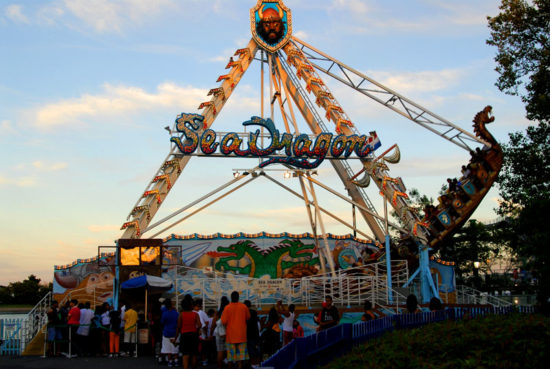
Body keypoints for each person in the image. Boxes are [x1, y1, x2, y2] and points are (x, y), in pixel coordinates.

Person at [221, 291, 250, 369]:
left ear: (231, 298)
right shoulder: (244, 307)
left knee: (230, 357)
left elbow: (223, 321)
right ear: (238, 298)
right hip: (242, 335)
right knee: (240, 357)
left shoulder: (227, 307)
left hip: (230, 336)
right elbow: (248, 317)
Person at [175, 297, 201, 369]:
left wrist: (175, 338)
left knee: (185, 356)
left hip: (184, 336)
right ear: (191, 306)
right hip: (194, 335)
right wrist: (197, 330)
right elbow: (199, 325)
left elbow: (178, 327)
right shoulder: (195, 314)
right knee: (194, 354)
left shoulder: (181, 315)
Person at [211, 296, 229, 369]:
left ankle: (219, 366)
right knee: (228, 350)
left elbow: (213, 324)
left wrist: (210, 334)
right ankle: (228, 364)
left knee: (220, 351)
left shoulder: (218, 313)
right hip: (227, 333)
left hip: (219, 333)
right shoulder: (228, 311)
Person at [160, 299, 179, 367]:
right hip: (175, 333)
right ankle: (176, 361)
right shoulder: (176, 313)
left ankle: (170, 361)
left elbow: (162, 322)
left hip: (166, 332)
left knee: (168, 349)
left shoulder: (164, 313)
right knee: (175, 348)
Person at [243, 300, 261, 367]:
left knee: (249, 350)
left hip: (247, 334)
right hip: (255, 333)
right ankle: (257, 364)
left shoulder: (244, 313)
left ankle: (252, 363)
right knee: (255, 349)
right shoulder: (254, 312)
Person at [193, 298, 210, 366]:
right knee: (203, 349)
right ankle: (204, 361)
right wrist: (206, 334)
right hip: (201, 334)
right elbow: (206, 323)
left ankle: (195, 361)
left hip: (194, 333)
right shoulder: (201, 313)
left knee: (195, 349)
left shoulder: (192, 312)